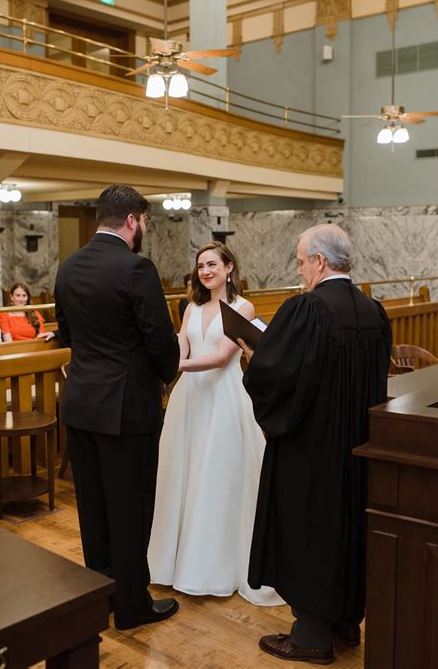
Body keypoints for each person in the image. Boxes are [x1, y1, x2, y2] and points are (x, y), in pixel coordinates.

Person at [239, 224, 392, 665]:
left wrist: (254, 360)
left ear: (320, 262)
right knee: (349, 528)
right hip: (359, 448)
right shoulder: (373, 311)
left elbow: (278, 377)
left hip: (312, 449)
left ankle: (310, 636)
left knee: (309, 529)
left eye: (302, 260)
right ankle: (346, 624)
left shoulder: (307, 309)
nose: (299, 267)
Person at [54, 184, 180, 632]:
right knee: (131, 508)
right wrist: (168, 372)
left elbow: (66, 334)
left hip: (82, 404)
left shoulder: (68, 267)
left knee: (94, 508)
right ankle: (131, 606)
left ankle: (103, 595)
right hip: (127, 409)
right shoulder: (136, 268)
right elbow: (161, 341)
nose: (144, 227)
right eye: (144, 220)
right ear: (132, 220)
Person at [149, 241, 282, 606]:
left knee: (217, 478)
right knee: (183, 476)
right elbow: (182, 346)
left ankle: (214, 566)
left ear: (228, 268)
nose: (205, 271)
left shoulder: (242, 306)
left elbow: (223, 358)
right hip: (189, 400)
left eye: (212, 264)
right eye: (200, 266)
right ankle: (174, 564)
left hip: (223, 399)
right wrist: (165, 358)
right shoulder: (191, 307)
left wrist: (174, 368)